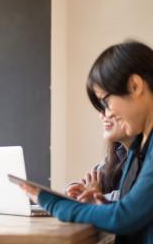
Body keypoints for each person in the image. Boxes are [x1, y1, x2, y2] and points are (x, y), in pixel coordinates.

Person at [19, 40, 153, 244]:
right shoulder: (139, 147)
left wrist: (51, 202)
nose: (106, 114)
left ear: (135, 86)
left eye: (105, 102)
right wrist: (100, 206)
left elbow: (124, 218)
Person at [65, 113, 134, 203]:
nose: (102, 115)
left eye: (108, 106)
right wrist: (73, 189)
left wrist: (95, 196)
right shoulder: (119, 153)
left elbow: (136, 198)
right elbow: (91, 181)